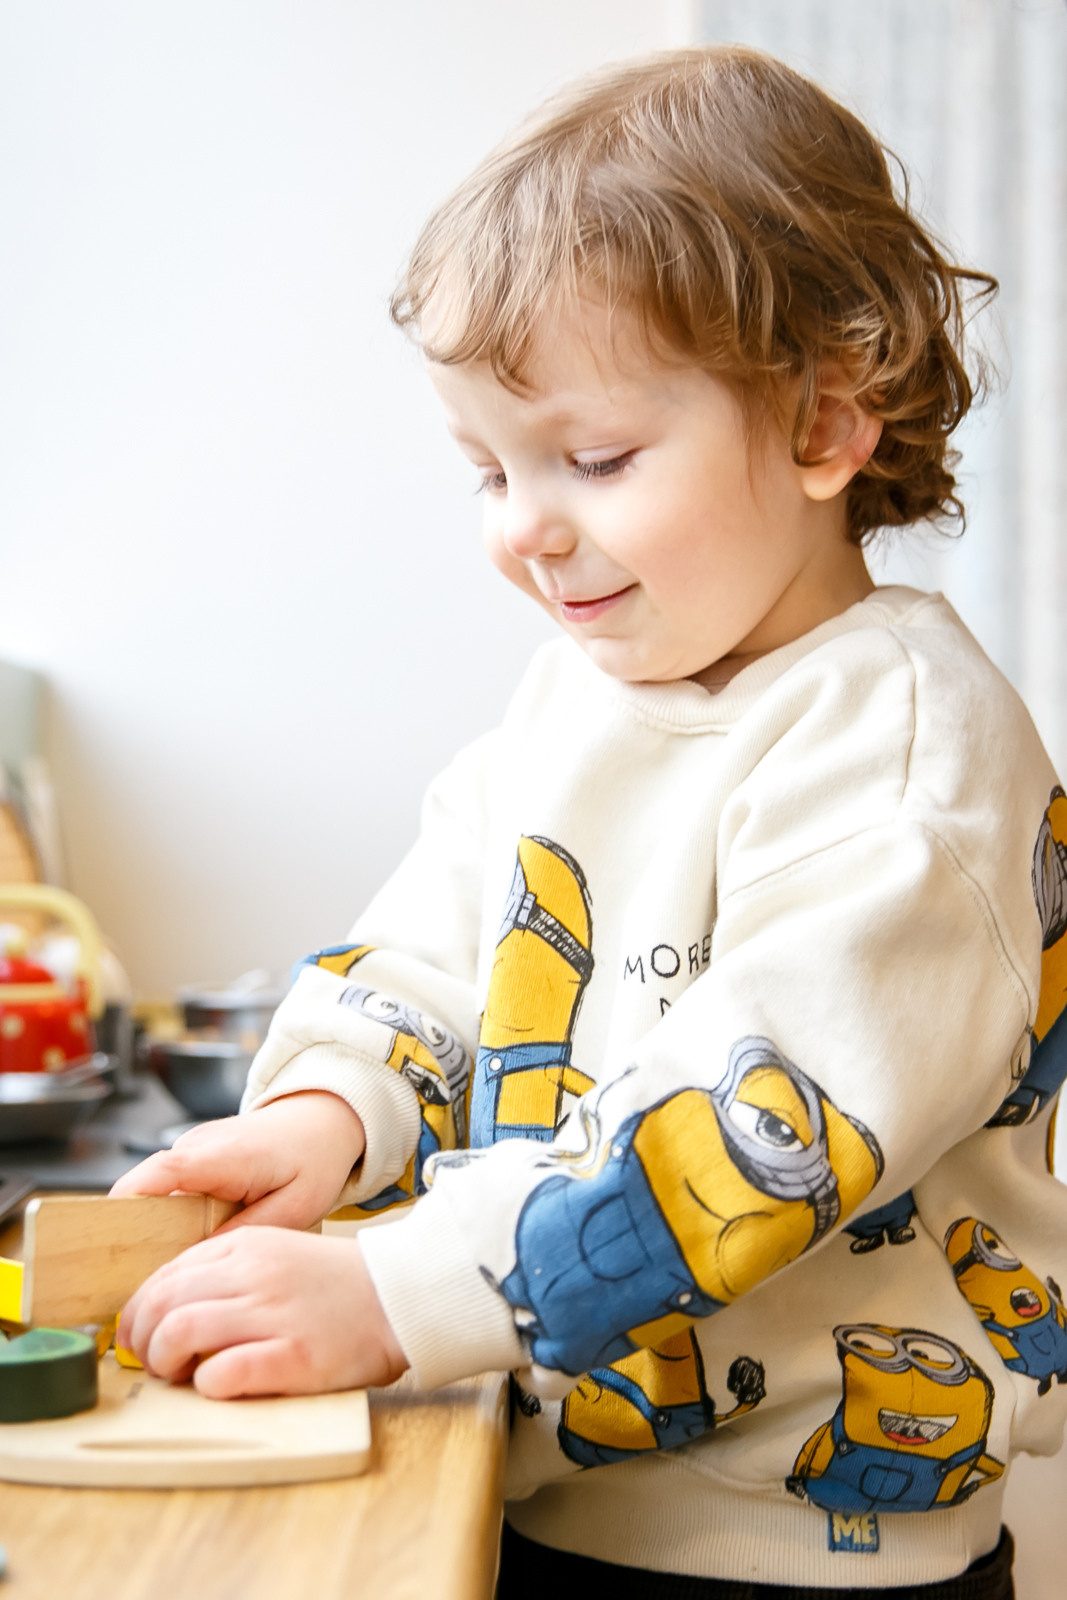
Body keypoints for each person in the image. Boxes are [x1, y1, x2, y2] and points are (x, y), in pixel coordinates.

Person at [112, 46, 1067, 1599]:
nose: (523, 529)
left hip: (809, 1552)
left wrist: (394, 1292)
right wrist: (333, 1110)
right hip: (558, 1479)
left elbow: (750, 1123)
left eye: (596, 460)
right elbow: (439, 947)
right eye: (487, 470)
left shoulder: (907, 755)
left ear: (827, 426)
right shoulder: (577, 701)